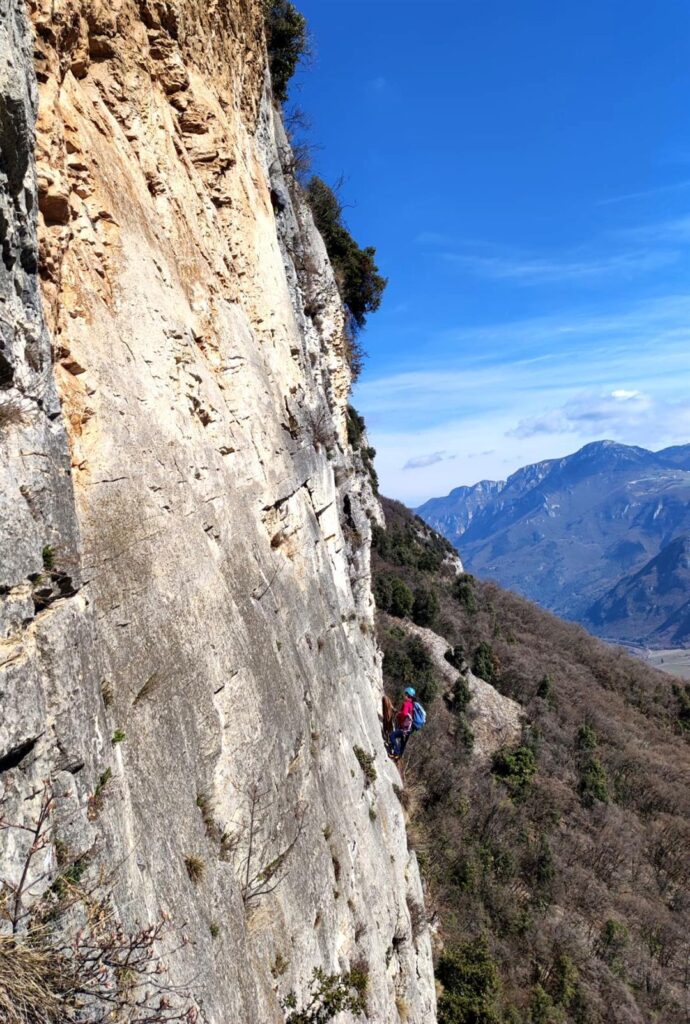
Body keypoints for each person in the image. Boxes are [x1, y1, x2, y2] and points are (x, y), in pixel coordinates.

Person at [389, 687, 416, 758]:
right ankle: (398, 757)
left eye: (405, 694)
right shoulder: (412, 705)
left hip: (404, 728)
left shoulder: (406, 704)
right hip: (409, 729)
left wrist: (398, 714)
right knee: (403, 744)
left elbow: (404, 714)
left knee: (392, 735)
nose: (404, 695)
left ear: (407, 695)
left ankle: (396, 752)